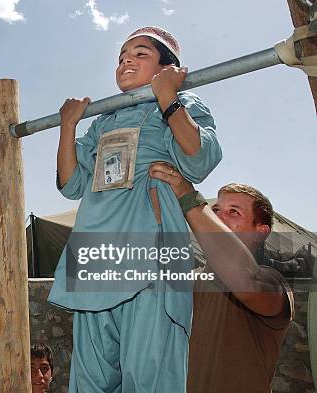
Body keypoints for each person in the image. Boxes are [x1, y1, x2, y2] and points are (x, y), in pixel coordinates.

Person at [48, 26, 222, 392]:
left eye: (140, 53)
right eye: (122, 55)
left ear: (166, 66)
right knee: (91, 381)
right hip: (95, 255)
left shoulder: (184, 104)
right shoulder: (105, 120)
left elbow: (198, 160)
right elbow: (71, 184)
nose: (126, 59)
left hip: (151, 251)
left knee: (149, 377)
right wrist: (68, 126)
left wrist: (168, 97)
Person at [149, 163, 294, 393]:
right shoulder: (188, 281)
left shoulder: (272, 283)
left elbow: (245, 283)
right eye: (215, 211)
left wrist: (188, 197)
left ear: (260, 232)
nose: (218, 218)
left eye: (233, 212)